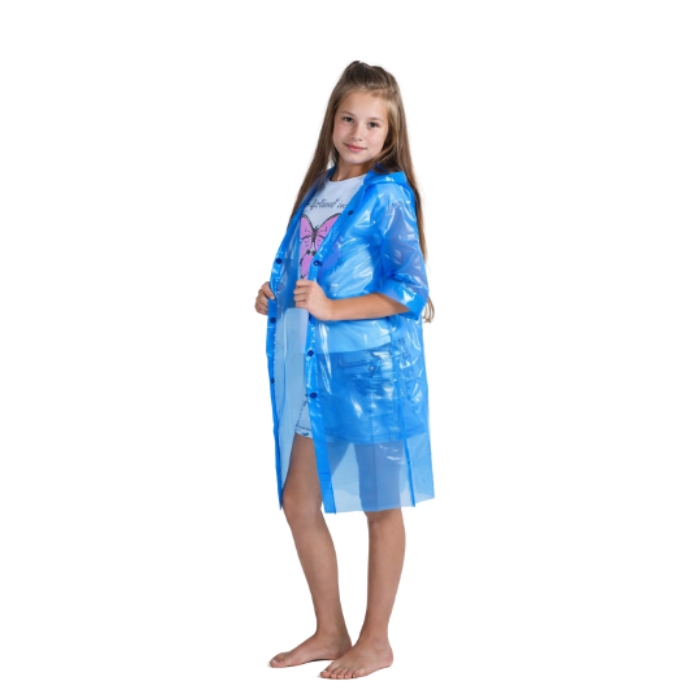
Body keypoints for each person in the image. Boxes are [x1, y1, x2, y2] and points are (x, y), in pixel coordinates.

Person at [254, 60, 435, 680]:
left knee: (380, 506)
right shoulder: (319, 189)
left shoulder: (387, 196)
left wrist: (331, 308)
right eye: (349, 119)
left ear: (391, 133)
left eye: (373, 124)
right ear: (332, 121)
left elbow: (410, 288)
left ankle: (376, 640)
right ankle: (330, 629)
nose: (358, 133)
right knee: (298, 501)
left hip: (369, 373)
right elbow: (311, 268)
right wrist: (276, 293)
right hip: (314, 373)